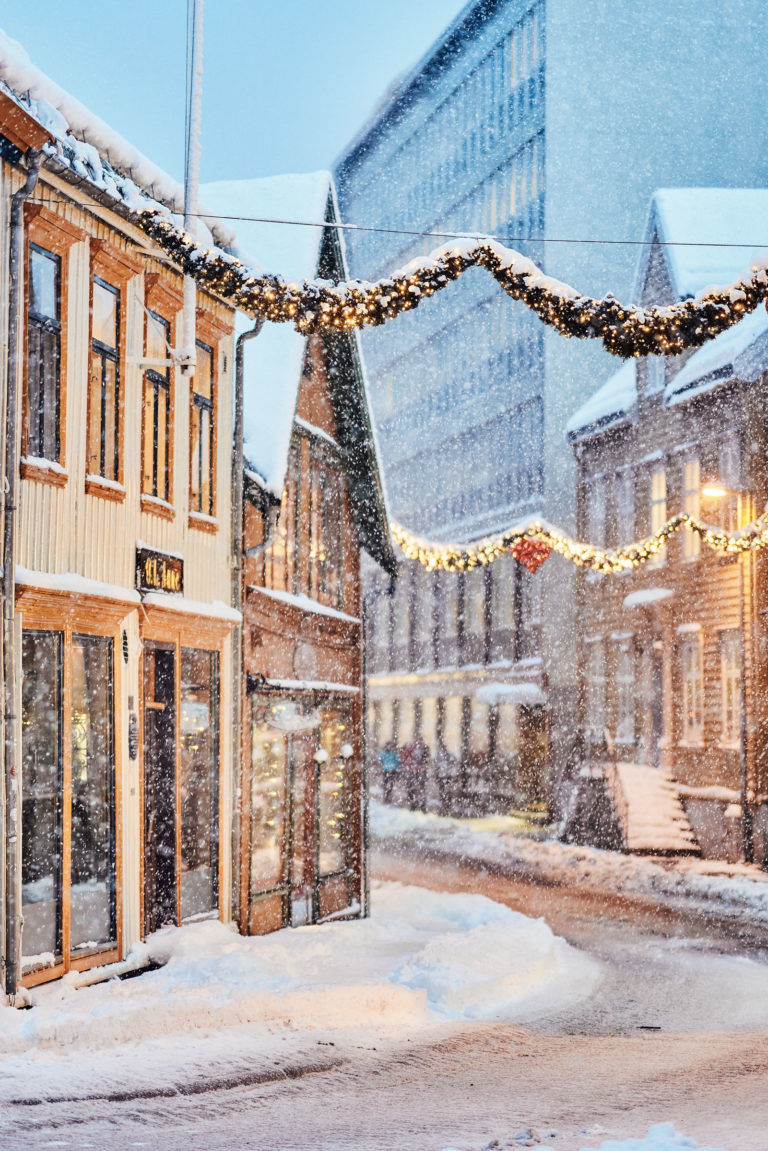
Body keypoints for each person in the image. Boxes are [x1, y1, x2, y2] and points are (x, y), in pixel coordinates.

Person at [401, 736, 430, 812]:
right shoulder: (413, 749)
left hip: (417, 771)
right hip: (414, 771)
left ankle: (418, 805)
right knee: (415, 788)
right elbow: (405, 758)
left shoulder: (423, 748)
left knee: (418, 788)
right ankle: (416, 805)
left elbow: (426, 759)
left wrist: (420, 767)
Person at [434, 740, 460, 816]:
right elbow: (454, 761)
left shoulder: (441, 756)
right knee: (445, 790)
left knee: (444, 791)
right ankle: (446, 804)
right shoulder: (443, 756)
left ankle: (445, 804)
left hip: (444, 775)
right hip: (445, 775)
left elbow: (436, 766)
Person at [378, 741, 401, 805]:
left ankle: (387, 797)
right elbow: (398, 761)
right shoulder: (393, 753)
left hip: (387, 770)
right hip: (390, 770)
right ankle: (387, 797)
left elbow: (379, 760)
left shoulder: (385, 753)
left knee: (387, 784)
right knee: (389, 784)